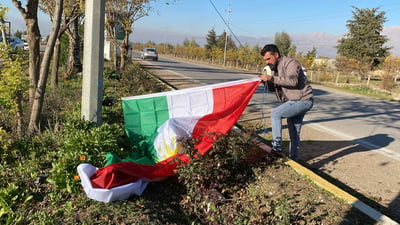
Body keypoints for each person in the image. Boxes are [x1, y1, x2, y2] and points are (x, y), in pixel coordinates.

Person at [259, 44, 314, 161]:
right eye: (265, 60)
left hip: (303, 100)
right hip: (295, 101)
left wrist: (271, 78)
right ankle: (294, 159)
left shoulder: (291, 63)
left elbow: (292, 81)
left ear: (276, 55)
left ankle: (276, 148)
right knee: (294, 132)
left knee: (275, 114)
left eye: (269, 59)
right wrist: (266, 82)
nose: (267, 62)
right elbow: (273, 88)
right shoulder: (273, 69)